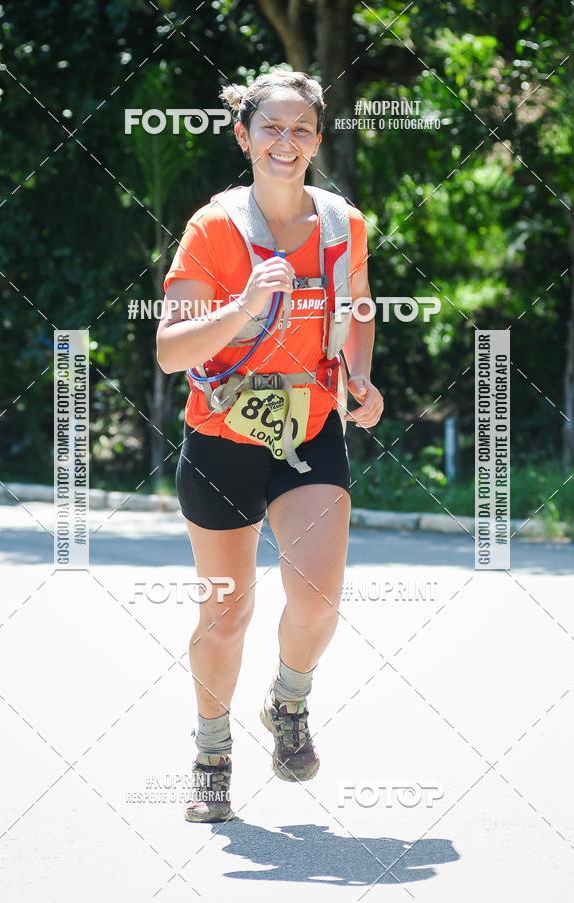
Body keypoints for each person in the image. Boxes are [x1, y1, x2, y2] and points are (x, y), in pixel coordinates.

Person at [156, 68, 384, 823]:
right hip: (222, 439)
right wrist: (247, 305)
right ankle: (211, 752)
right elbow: (170, 350)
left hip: (311, 429)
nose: (286, 143)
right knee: (228, 613)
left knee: (317, 597)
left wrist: (358, 377)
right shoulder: (213, 229)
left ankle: (288, 701)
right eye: (271, 128)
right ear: (243, 135)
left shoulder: (343, 223)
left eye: (301, 130)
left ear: (317, 140)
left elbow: (359, 308)